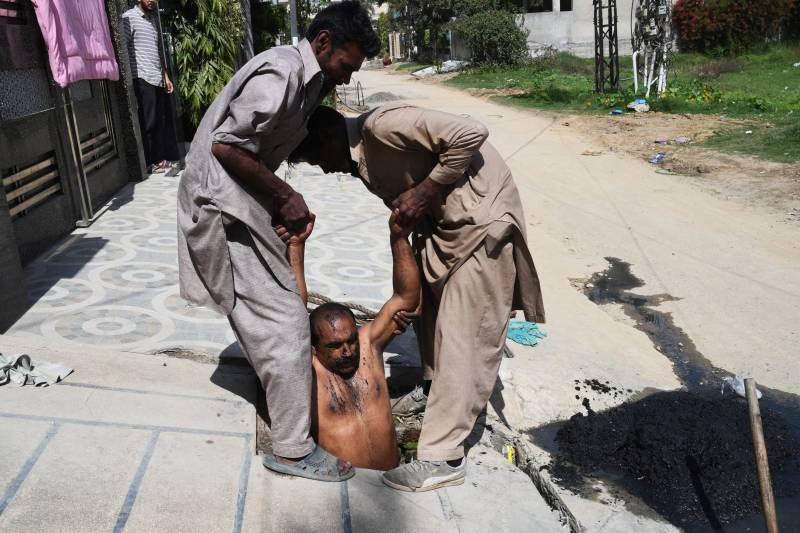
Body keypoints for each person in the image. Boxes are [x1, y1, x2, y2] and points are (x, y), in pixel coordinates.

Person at [289, 104, 546, 491]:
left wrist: (427, 190)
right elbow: (407, 297)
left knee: (462, 333)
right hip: (445, 228)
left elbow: (471, 130)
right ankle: (432, 389)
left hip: (478, 223)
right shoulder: (362, 164)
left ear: (326, 137)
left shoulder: (381, 127)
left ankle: (443, 457)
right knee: (429, 310)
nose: (323, 168)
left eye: (315, 158)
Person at [177, 2, 379, 482]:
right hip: (221, 207)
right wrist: (285, 195)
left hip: (242, 206)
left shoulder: (307, 83)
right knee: (288, 324)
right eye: (345, 67)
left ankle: (276, 390)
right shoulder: (281, 72)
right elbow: (226, 145)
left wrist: (279, 204)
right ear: (324, 42)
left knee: (273, 311)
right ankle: (291, 450)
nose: (346, 79)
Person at [275, 210, 420, 471]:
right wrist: (296, 245)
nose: (348, 352)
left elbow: (406, 298)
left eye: (350, 340)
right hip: (343, 490)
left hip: (392, 482)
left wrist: (398, 237)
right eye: (334, 346)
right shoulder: (307, 367)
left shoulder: (368, 346)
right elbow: (292, 312)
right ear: (314, 348)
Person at [122, 0, 180, 174]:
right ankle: (150, 162)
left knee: (158, 121)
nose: (152, 0)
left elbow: (157, 51)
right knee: (148, 121)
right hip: (142, 77)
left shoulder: (153, 20)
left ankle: (159, 160)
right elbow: (122, 48)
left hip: (157, 78)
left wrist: (166, 76)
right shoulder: (128, 18)